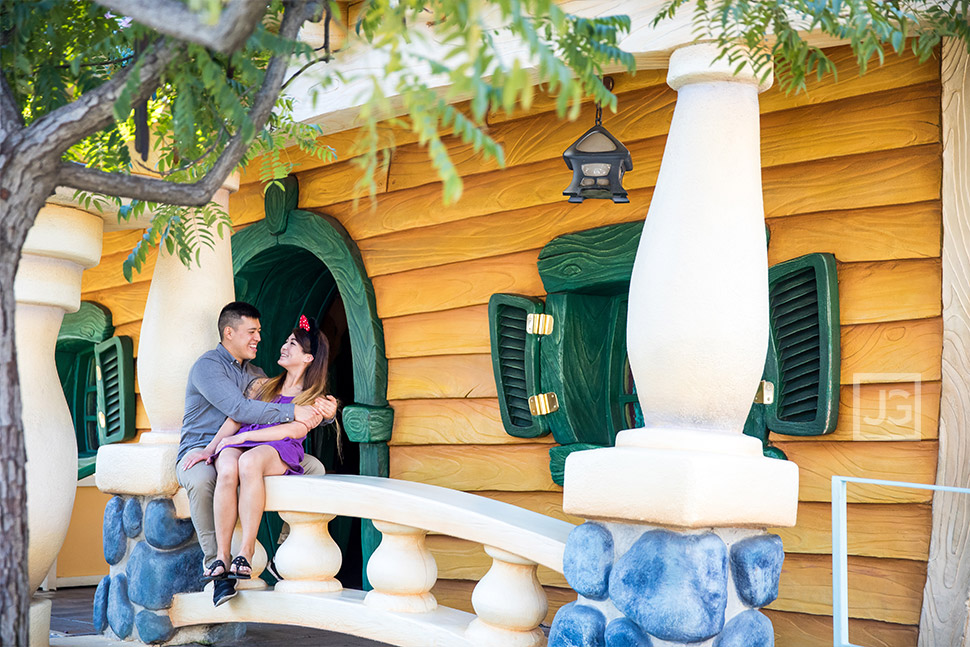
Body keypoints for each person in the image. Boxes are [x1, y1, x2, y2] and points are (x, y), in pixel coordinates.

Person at [176, 302, 336, 605]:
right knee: (204, 477)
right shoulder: (208, 366)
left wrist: (327, 414)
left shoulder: (256, 375)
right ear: (229, 332)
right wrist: (213, 448)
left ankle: (285, 542)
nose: (259, 338)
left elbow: (297, 414)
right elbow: (239, 411)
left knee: (313, 467)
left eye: (260, 332)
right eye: (252, 332)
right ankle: (216, 562)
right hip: (204, 444)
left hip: (245, 443)